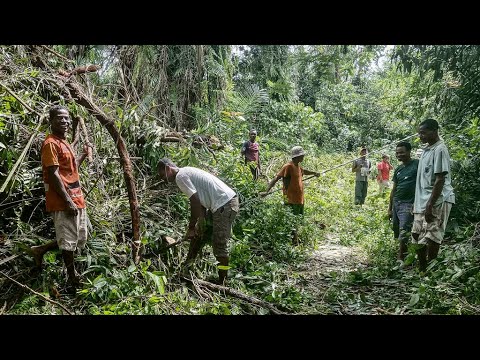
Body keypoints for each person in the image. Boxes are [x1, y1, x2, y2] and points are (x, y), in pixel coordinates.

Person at [28, 105, 90, 291]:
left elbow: (70, 169)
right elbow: (54, 175)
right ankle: (72, 279)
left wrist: (84, 156)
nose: (64, 121)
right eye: (59, 118)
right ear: (51, 121)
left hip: (76, 196)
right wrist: (67, 201)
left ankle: (40, 250)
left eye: (66, 118)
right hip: (64, 201)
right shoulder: (50, 144)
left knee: (79, 238)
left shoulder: (64, 142)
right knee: (69, 242)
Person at [157, 158, 239, 285]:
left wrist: (190, 227)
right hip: (221, 204)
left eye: (163, 175)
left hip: (224, 205)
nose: (164, 179)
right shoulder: (185, 172)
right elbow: (199, 200)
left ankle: (222, 283)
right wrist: (199, 222)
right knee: (198, 236)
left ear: (168, 168)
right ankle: (186, 269)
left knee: (219, 244)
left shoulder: (180, 177)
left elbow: (194, 201)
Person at [411, 119, 455, 272]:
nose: (421, 136)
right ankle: (423, 270)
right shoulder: (426, 150)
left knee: (432, 236)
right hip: (422, 201)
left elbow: (440, 179)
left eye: (423, 133)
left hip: (437, 200)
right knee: (416, 235)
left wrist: (430, 203)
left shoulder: (440, 149)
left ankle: (431, 272)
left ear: (435, 131)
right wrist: (417, 203)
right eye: (419, 133)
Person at [260, 146, 319, 244]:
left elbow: (304, 171)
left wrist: (314, 173)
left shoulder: (298, 167)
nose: (303, 156)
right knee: (292, 220)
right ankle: (293, 241)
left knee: (297, 220)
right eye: (302, 155)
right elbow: (276, 178)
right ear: (297, 156)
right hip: (291, 199)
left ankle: (295, 239)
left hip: (299, 198)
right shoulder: (288, 166)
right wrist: (266, 191)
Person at [388, 142, 419, 261]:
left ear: (409, 151)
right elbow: (394, 189)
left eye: (401, 152)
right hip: (397, 202)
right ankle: (402, 254)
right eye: (397, 153)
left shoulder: (417, 164)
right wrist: (390, 208)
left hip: (408, 203)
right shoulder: (399, 169)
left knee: (404, 229)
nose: (399, 155)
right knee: (397, 229)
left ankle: (401, 257)